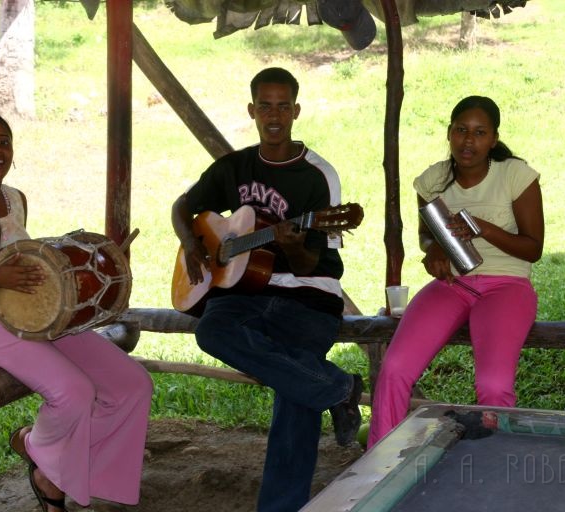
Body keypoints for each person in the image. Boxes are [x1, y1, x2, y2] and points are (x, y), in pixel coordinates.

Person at [0, 109, 153, 512]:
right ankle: (40, 454)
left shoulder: (15, 198)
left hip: (36, 318)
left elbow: (30, 263)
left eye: (4, 141)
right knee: (74, 392)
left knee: (133, 384)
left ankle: (50, 460)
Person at [171, 67, 363, 512]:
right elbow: (184, 206)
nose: (273, 115)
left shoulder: (318, 176)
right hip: (243, 292)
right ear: (252, 110)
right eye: (265, 106)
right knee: (212, 332)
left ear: (295, 111)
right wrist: (192, 245)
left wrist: (293, 249)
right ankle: (338, 388)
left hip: (308, 293)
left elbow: (320, 264)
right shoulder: (234, 166)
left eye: (283, 106)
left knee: (296, 398)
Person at [368, 96, 544, 449]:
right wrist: (434, 248)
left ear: (494, 138)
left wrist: (483, 229)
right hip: (453, 284)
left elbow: (533, 248)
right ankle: (380, 462)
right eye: (461, 130)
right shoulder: (433, 180)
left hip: (506, 286)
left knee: (493, 384)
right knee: (395, 368)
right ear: (449, 133)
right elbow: (427, 234)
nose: (469, 141)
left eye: (480, 133)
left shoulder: (515, 175)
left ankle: (494, 464)